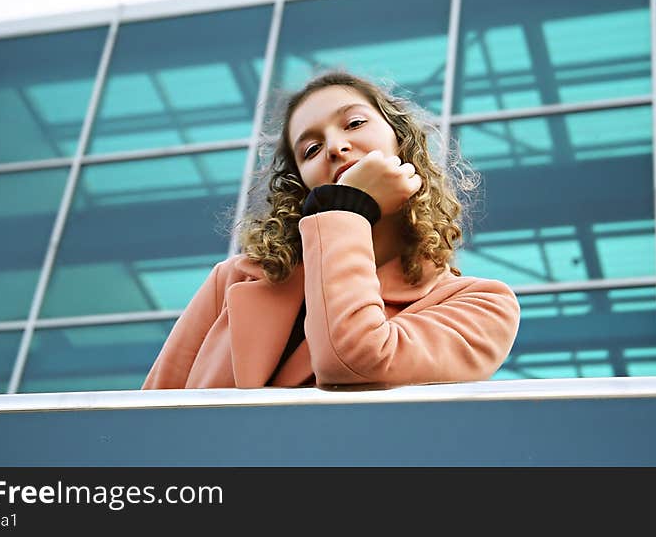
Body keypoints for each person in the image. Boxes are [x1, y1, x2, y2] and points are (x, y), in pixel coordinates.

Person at [142, 70, 519, 390]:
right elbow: (148, 415)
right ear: (300, 185)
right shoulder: (234, 280)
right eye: (310, 150)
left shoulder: (482, 305)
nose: (335, 148)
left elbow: (355, 360)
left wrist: (346, 209)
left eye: (354, 123)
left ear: (401, 142)